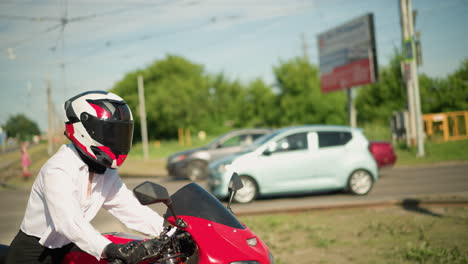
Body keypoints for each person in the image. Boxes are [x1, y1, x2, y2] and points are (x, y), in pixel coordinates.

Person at [6, 91, 165, 264]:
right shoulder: (59, 169)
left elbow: (129, 208)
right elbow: (68, 222)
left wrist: (168, 230)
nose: (117, 141)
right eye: (110, 134)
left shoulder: (106, 171)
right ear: (86, 130)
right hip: (33, 255)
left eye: (120, 134)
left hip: (69, 248)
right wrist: (109, 248)